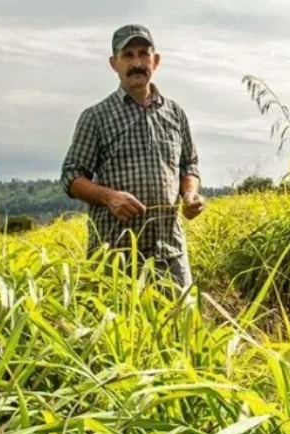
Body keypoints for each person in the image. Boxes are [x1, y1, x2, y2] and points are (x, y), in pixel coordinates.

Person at [60, 24, 204, 288]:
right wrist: (110, 197)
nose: (137, 62)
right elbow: (71, 177)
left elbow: (189, 166)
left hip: (170, 253)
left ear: (155, 61)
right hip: (115, 257)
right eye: (128, 55)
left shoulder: (175, 113)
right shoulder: (96, 117)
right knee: (117, 328)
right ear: (114, 63)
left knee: (181, 326)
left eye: (143, 54)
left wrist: (190, 195)